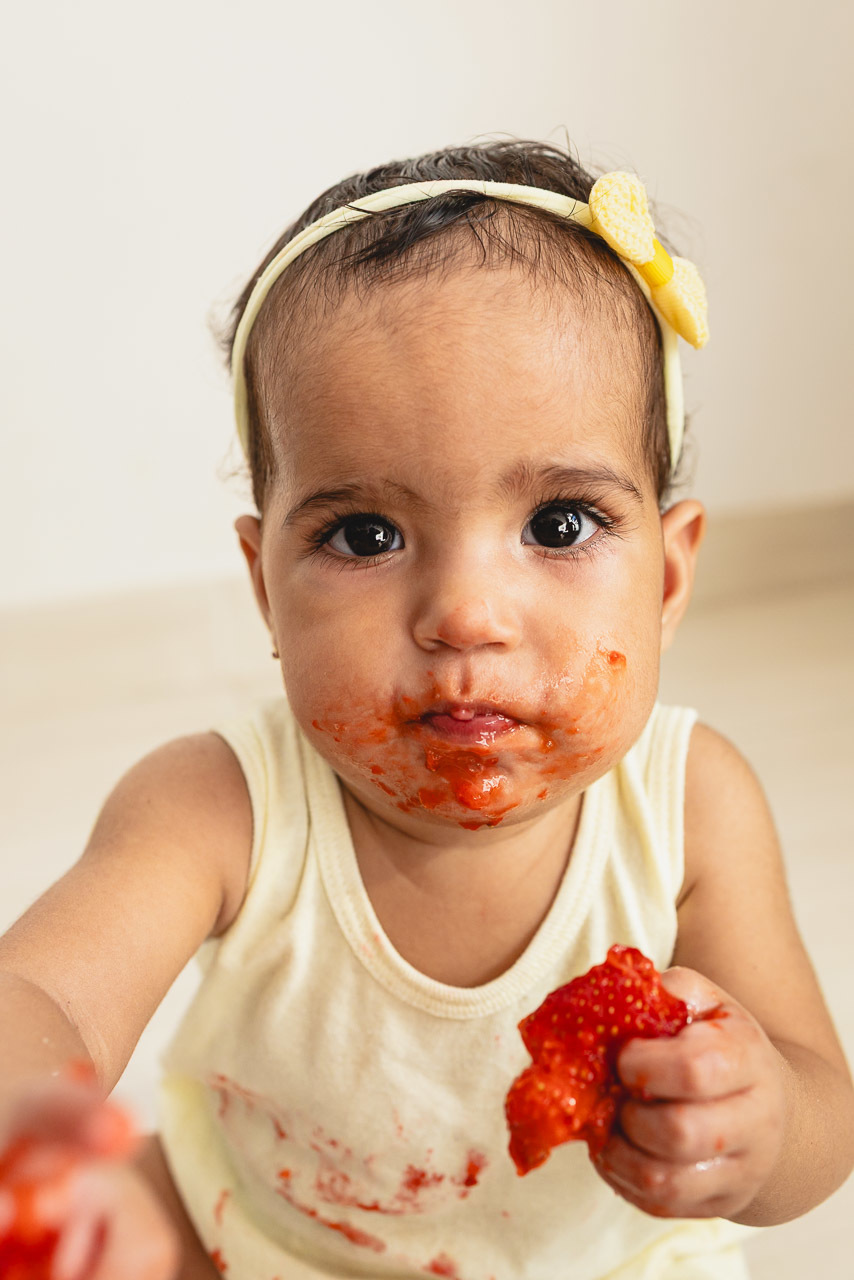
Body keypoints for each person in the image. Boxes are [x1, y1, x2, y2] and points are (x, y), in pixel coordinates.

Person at [0, 137, 852, 1280]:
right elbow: (46, 992)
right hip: (255, 1232)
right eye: (364, 534)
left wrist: (760, 1125)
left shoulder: (689, 802)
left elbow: (817, 1113)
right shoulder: (214, 808)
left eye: (557, 524)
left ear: (663, 577)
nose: (463, 613)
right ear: (265, 585)